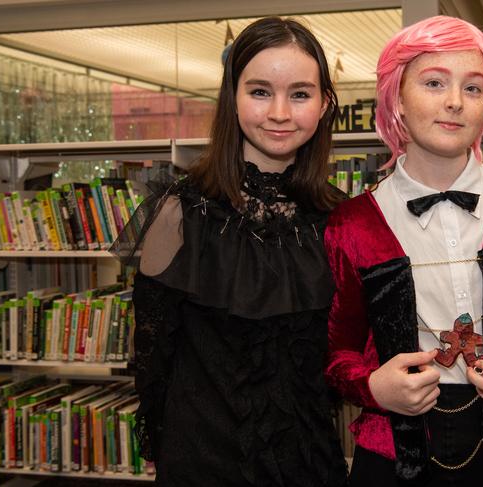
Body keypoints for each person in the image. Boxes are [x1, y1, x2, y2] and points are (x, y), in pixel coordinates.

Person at [324, 15, 483, 487]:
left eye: (473, 88)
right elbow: (336, 351)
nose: (454, 102)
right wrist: (372, 387)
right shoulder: (352, 222)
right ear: (396, 99)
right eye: (433, 82)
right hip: (393, 450)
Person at [112, 17, 347, 487]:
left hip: (310, 463)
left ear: (323, 106)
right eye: (260, 91)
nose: (280, 112)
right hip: (203, 462)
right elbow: (154, 359)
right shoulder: (178, 212)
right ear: (232, 98)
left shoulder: (339, 218)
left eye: (299, 94)